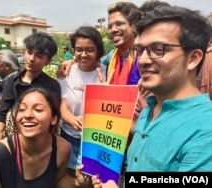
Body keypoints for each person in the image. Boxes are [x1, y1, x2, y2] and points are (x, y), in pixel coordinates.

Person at [86, 5, 212, 188]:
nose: (143, 60)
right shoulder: (148, 110)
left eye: (158, 49)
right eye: (140, 50)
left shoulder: (204, 131)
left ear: (193, 58)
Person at [0, 87, 87, 188]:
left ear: (54, 119)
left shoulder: (61, 148)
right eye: (22, 109)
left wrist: (77, 183)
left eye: (38, 109)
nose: (27, 115)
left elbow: (58, 181)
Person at [0, 32, 61, 144]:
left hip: (41, 140)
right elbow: (2, 113)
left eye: (39, 56)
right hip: (14, 138)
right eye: (29, 52)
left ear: (48, 61)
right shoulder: (12, 81)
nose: (31, 59)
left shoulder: (52, 85)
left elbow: (53, 118)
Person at [57, 26, 106, 178]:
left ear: (98, 50)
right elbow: (62, 104)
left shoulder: (107, 72)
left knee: (93, 178)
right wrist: (72, 120)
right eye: (79, 49)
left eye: (90, 50)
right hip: (70, 136)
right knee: (70, 177)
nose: (83, 54)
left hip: (96, 139)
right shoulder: (66, 72)